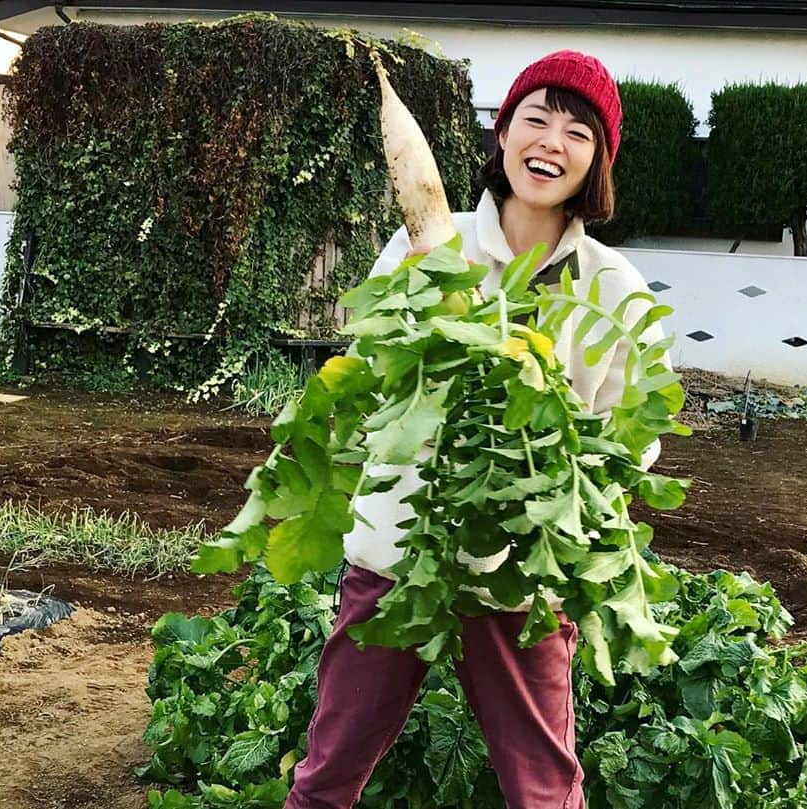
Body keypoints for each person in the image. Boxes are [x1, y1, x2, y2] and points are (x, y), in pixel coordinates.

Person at [285, 49, 669, 809]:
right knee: (328, 773)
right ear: (503, 136)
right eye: (535, 118)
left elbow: (634, 441)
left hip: (521, 572)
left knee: (544, 789)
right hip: (400, 548)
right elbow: (375, 370)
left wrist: (563, 468)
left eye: (576, 131)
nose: (550, 142)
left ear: (597, 162)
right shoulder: (430, 246)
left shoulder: (616, 290)